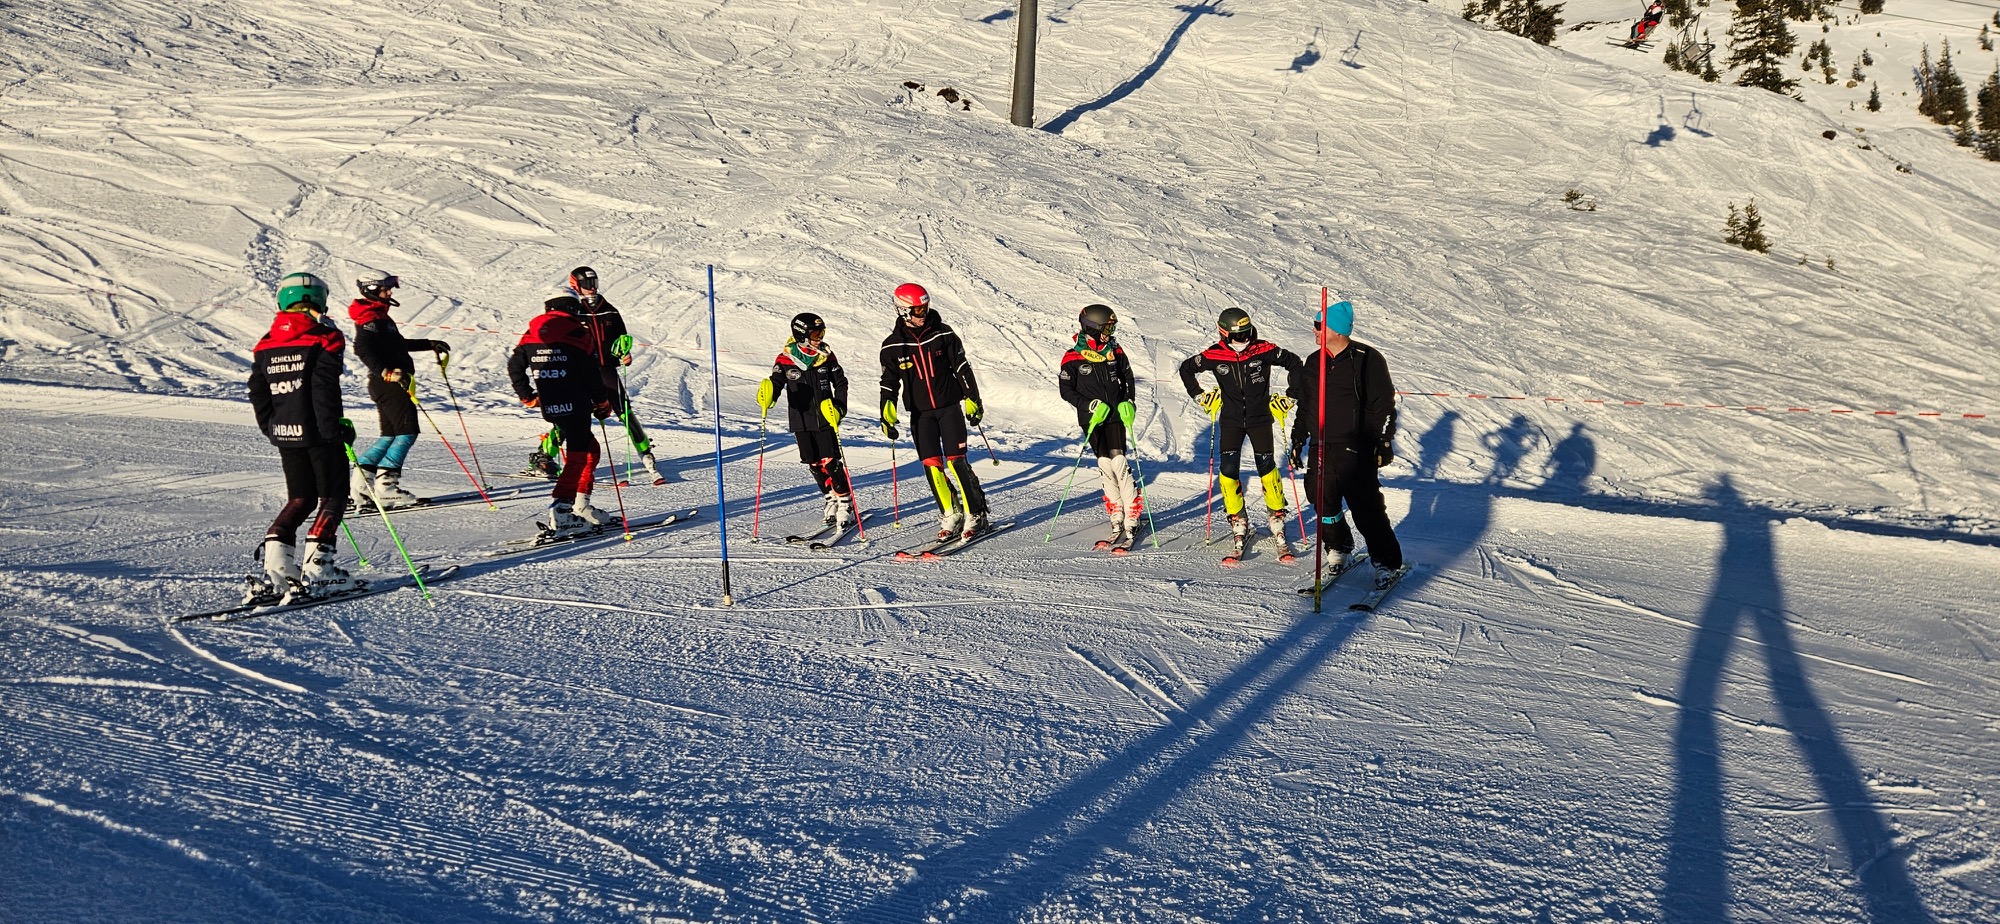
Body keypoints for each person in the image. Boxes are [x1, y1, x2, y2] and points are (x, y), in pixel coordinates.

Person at [245, 272, 364, 603]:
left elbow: (258, 391)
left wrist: (271, 426)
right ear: (319, 301)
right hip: (319, 433)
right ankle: (319, 571)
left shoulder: (266, 342)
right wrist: (335, 428)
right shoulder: (326, 338)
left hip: (286, 433)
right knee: (333, 497)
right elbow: (323, 387)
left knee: (300, 499)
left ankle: (277, 572)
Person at [1287, 299, 1405, 590]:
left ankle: (1387, 561)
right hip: (1320, 445)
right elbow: (1306, 405)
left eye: (1319, 326)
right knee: (1321, 500)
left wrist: (1384, 442)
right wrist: (1297, 438)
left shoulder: (1367, 358)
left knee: (1366, 507)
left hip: (1356, 446)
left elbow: (1385, 405)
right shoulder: (1314, 362)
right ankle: (1338, 547)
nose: (1314, 331)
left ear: (1337, 330)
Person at [1178, 307, 1304, 554]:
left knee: (1267, 469)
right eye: (1238, 336)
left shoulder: (1263, 348)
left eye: (1247, 334)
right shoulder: (1214, 354)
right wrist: (1201, 397)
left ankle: (1277, 519)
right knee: (1227, 471)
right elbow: (1186, 369)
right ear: (1224, 333)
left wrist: (1290, 397)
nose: (1244, 341)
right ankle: (1238, 520)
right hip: (1231, 421)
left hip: (1260, 419)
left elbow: (1296, 364)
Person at [525, 266, 664, 484]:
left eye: (594, 283)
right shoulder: (571, 310)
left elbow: (621, 338)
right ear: (575, 286)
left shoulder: (608, 309)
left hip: (605, 369)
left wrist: (624, 355)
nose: (592, 288)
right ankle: (544, 455)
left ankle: (646, 455)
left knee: (624, 410)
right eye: (587, 284)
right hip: (578, 372)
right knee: (570, 415)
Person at [879, 282, 990, 541]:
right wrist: (887, 409)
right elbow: (889, 382)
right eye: (918, 310)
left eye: (925, 307)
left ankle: (976, 513)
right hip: (920, 414)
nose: (924, 313)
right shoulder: (892, 346)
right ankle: (951, 513)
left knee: (956, 461)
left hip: (949, 408)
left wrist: (973, 399)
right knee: (931, 465)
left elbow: (962, 367)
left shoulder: (943, 334)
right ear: (903, 311)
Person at [509, 290, 615, 537]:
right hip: (576, 403)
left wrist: (527, 395)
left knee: (590, 451)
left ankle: (581, 506)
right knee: (580, 456)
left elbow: (515, 365)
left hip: (552, 406)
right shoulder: (577, 332)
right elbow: (591, 373)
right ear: (572, 308)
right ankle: (563, 511)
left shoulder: (531, 333)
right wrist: (602, 402)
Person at [347, 270, 449, 510]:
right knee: (407, 432)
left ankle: (360, 488)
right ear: (372, 290)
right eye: (385, 289)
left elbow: (396, 345)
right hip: (390, 383)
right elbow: (362, 348)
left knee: (390, 436)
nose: (390, 292)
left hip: (387, 383)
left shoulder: (378, 317)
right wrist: (386, 371)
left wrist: (429, 344)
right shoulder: (370, 319)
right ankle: (387, 489)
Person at [757, 312, 856, 528]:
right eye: (816, 333)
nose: (820, 337)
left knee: (830, 462)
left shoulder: (826, 356)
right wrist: (768, 396)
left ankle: (845, 503)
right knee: (813, 463)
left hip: (825, 417)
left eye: (822, 332)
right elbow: (776, 382)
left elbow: (841, 383)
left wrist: (839, 406)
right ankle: (830, 498)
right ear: (801, 334)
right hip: (800, 419)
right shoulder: (785, 359)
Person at [1058, 304, 1142, 546]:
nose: (1110, 332)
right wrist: (1089, 405)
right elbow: (1066, 391)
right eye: (1107, 328)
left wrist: (1129, 401)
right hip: (1092, 418)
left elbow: (1128, 377)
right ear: (1092, 328)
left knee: (1119, 461)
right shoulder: (1073, 356)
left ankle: (1132, 512)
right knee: (1105, 463)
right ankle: (1116, 512)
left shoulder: (1115, 350)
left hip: (1116, 414)